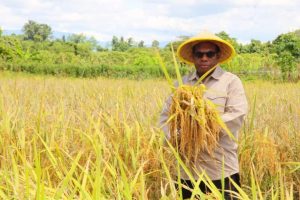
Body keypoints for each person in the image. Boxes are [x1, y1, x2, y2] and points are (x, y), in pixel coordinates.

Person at [159, 31, 248, 199]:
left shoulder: (231, 82)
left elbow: (237, 115)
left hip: (221, 169)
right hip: (187, 171)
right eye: (199, 54)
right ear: (193, 57)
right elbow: (165, 119)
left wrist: (199, 129)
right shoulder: (182, 85)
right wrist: (178, 136)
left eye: (209, 54)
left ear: (218, 56)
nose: (204, 58)